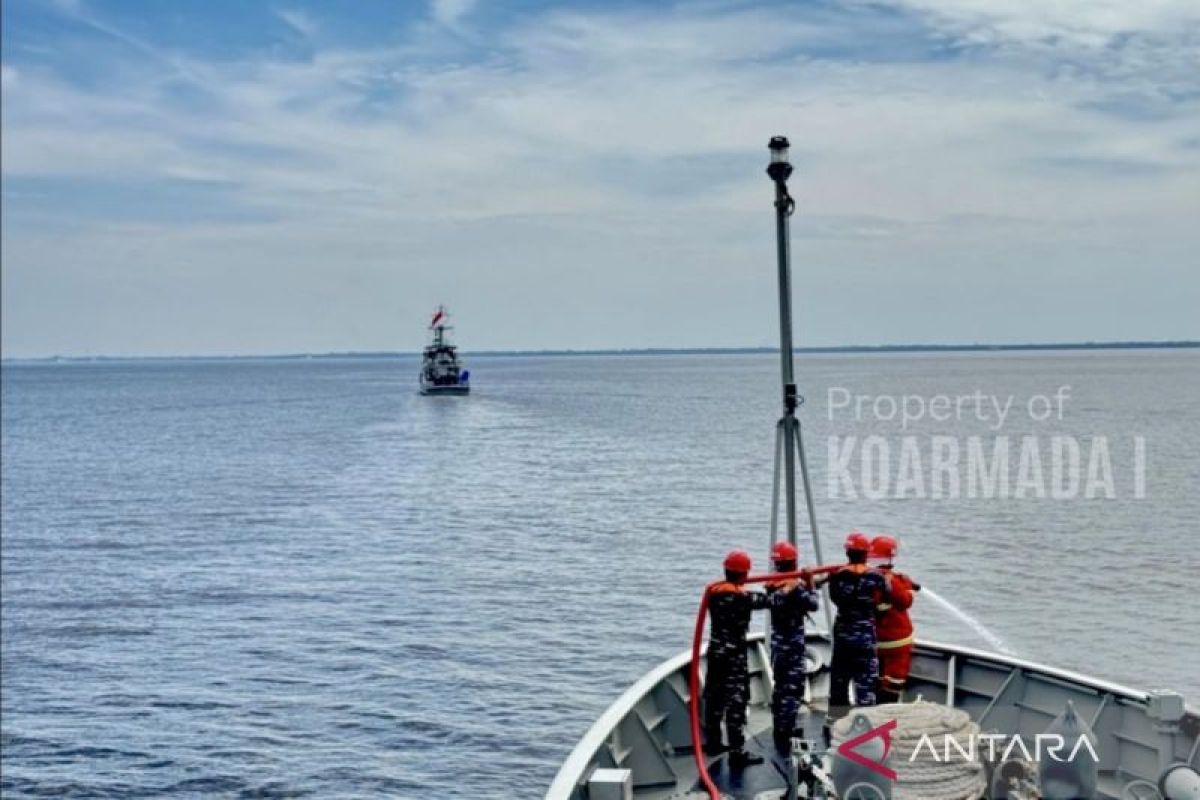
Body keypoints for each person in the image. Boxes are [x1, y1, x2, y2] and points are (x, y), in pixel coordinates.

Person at [704, 549, 769, 768]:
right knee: (736, 703)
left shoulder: (713, 592)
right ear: (744, 575)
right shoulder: (743, 597)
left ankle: (712, 743)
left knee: (714, 698)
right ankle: (737, 752)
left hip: (715, 652)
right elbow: (769, 601)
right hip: (733, 656)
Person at [765, 540, 820, 753]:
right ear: (793, 561)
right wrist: (810, 582)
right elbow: (813, 604)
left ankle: (779, 727)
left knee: (780, 687)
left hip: (778, 644)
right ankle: (787, 731)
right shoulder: (794, 589)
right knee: (793, 689)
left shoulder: (772, 586)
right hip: (793, 646)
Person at [826, 531, 888, 718]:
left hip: (843, 634)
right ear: (866, 553)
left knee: (839, 680)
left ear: (848, 553)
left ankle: (836, 721)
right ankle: (866, 725)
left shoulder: (837, 576)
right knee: (865, 681)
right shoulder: (876, 576)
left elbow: (835, 598)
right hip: (865, 636)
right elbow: (887, 595)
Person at [869, 534, 920, 704]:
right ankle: (885, 719)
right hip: (898, 643)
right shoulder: (892, 580)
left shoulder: (867, 578)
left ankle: (874, 714)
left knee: (876, 679)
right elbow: (905, 601)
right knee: (893, 684)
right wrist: (907, 586)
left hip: (876, 642)